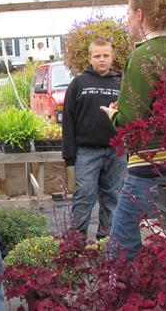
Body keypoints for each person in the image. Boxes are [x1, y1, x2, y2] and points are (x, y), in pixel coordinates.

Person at [100, 0, 166, 260]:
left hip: (149, 168)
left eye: (128, 13)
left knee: (121, 250)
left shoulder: (142, 56)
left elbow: (131, 123)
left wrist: (112, 115)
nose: (127, 20)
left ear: (141, 15)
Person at [62, 39, 127, 240]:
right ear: (90, 58)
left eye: (105, 55)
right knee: (84, 196)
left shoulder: (121, 83)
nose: (101, 60)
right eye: (97, 56)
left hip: (117, 151)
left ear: (112, 57)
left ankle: (107, 240)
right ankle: (76, 241)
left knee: (113, 197)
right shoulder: (79, 83)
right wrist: (69, 156)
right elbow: (68, 119)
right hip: (87, 151)